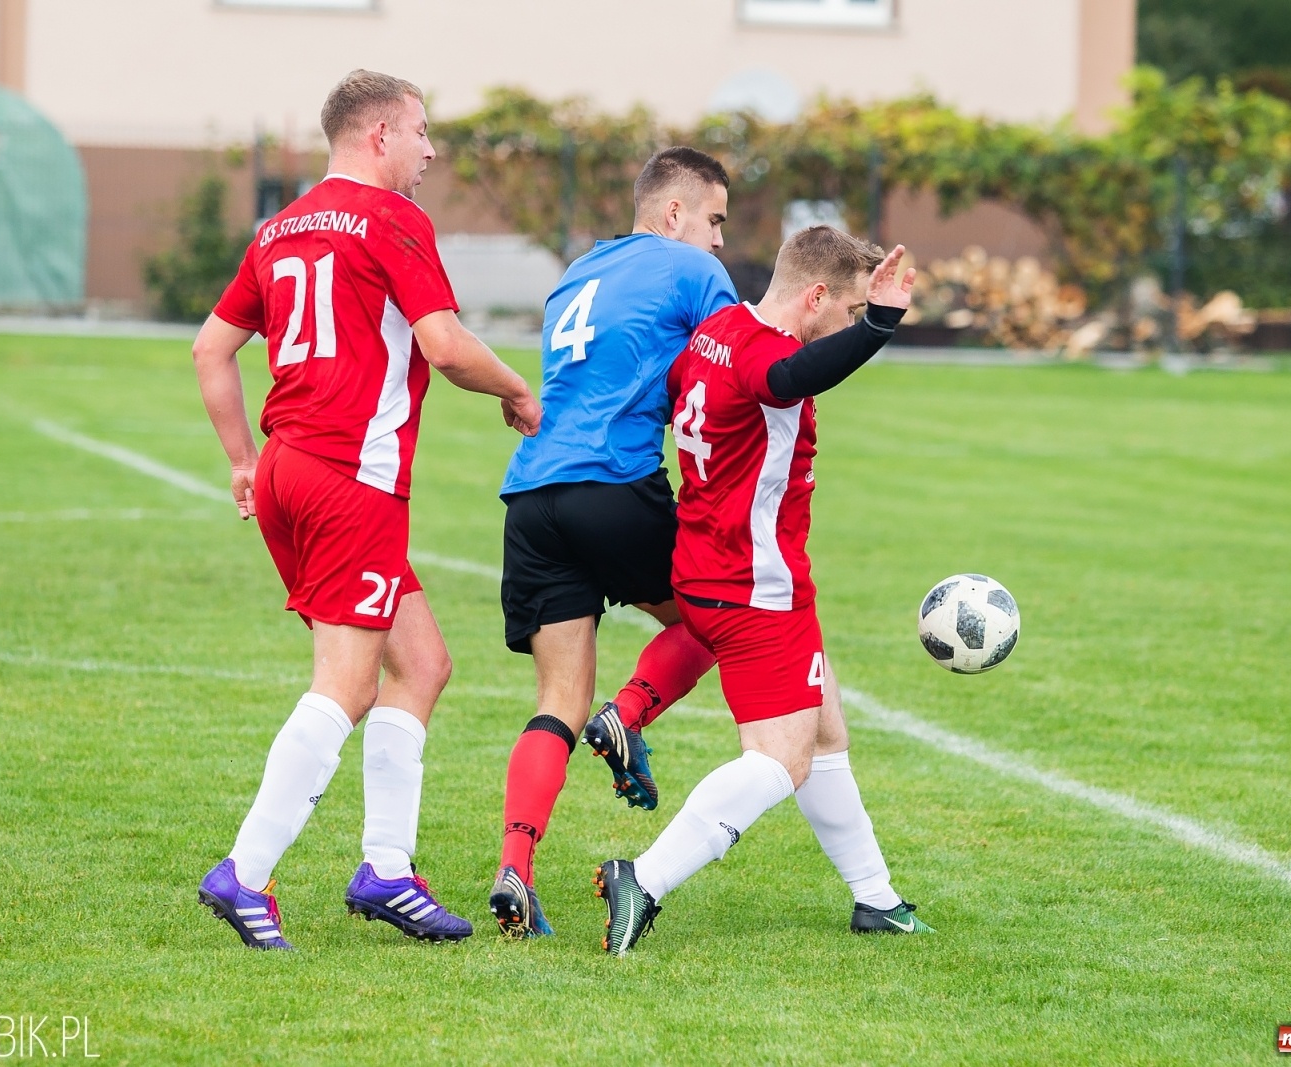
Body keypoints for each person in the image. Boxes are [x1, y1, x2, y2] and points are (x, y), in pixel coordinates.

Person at [191, 70, 541, 950]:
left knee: (420, 662)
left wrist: (242, 461)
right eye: (422, 132)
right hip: (351, 477)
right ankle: (246, 871)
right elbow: (447, 346)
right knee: (345, 684)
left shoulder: (280, 226)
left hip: (287, 469)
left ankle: (385, 869)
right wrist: (516, 390)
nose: (431, 150)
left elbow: (211, 348)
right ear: (379, 133)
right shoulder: (392, 219)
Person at [595, 226, 934, 956]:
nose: (840, 326)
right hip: (755, 586)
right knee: (782, 759)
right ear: (815, 298)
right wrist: (879, 323)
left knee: (825, 731)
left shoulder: (720, 327)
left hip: (711, 566)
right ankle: (644, 877)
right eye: (841, 311)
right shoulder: (766, 353)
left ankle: (875, 898)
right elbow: (790, 377)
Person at [488, 148, 737, 937]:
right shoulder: (693, 273)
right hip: (613, 483)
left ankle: (514, 871)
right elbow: (735, 376)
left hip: (532, 495)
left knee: (556, 701)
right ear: (675, 215)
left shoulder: (578, 272)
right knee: (720, 617)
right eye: (716, 220)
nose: (721, 241)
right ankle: (628, 714)